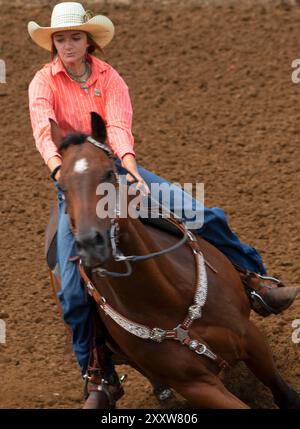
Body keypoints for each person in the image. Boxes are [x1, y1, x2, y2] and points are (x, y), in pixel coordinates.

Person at [28, 2, 298, 408]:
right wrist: (59, 173)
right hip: (73, 180)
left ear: (88, 41)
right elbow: (43, 131)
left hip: (117, 170)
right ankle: (97, 373)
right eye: (61, 38)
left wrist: (132, 171)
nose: (68, 44)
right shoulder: (42, 82)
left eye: (75, 37)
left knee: (204, 214)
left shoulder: (109, 77)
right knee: (71, 288)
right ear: (53, 43)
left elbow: (118, 125)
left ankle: (253, 280)